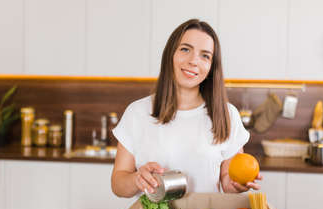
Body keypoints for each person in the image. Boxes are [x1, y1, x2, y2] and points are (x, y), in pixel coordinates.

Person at [111, 19, 261, 198]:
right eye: (185, 49)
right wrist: (137, 179)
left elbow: (227, 181)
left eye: (205, 55)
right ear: (170, 55)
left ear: (212, 67)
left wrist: (236, 185)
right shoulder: (137, 112)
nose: (193, 61)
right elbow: (118, 184)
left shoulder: (227, 115)